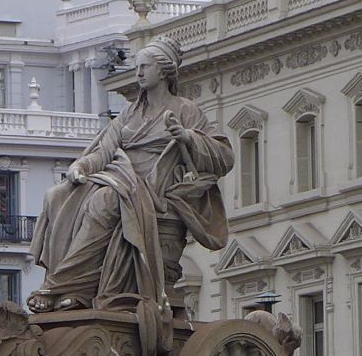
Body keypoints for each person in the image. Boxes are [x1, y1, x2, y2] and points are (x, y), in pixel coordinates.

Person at [28, 37, 233, 311]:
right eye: (137, 67)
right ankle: (79, 289)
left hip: (156, 188)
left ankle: (61, 284)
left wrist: (187, 137)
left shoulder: (185, 110)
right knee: (57, 195)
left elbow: (224, 157)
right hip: (119, 176)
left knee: (106, 201)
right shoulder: (129, 114)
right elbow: (104, 151)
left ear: (163, 71)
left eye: (144, 67)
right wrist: (81, 167)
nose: (137, 73)